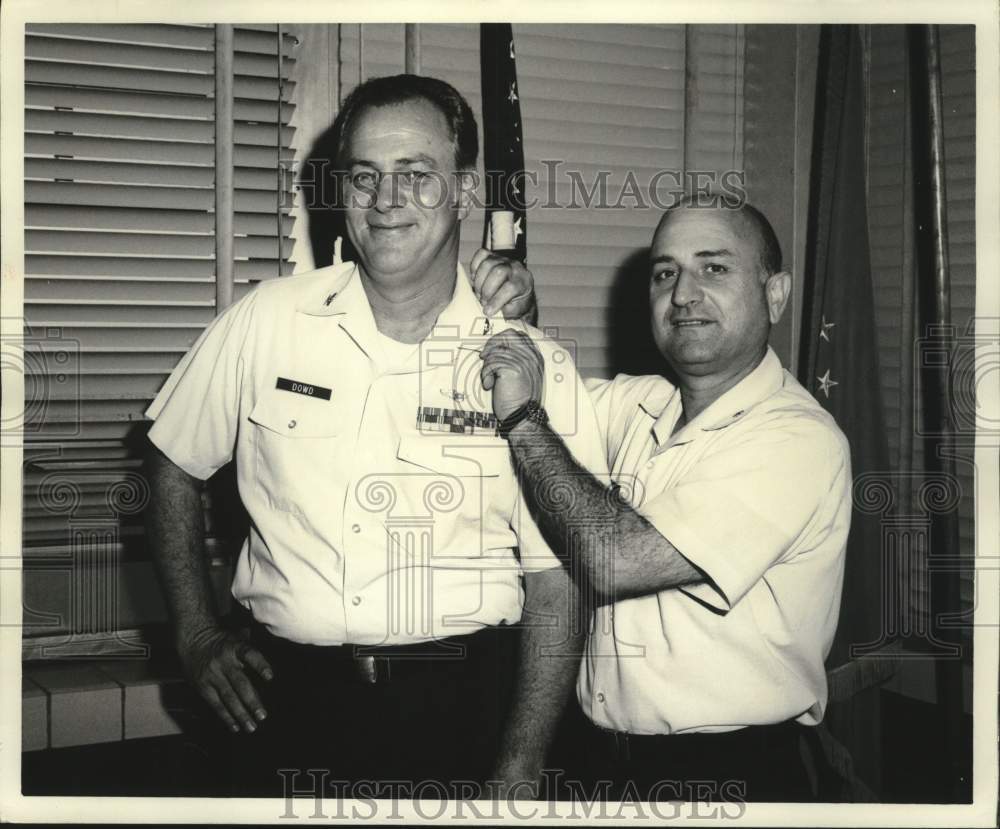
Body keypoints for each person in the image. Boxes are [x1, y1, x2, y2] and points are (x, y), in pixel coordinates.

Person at [144, 74, 603, 798]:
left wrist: (520, 762)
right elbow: (170, 463)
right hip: (284, 703)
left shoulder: (530, 362)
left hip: (465, 711)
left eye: (415, 176)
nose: (386, 202)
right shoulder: (268, 321)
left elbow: (558, 580)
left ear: (464, 190)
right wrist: (196, 635)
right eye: (365, 175)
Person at [481, 199, 851, 802]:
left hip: (732, 775)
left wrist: (522, 417)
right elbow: (549, 387)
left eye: (714, 269)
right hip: (599, 763)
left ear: (775, 295)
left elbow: (613, 560)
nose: (683, 294)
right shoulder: (641, 402)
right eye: (665, 272)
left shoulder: (797, 439)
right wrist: (520, 311)